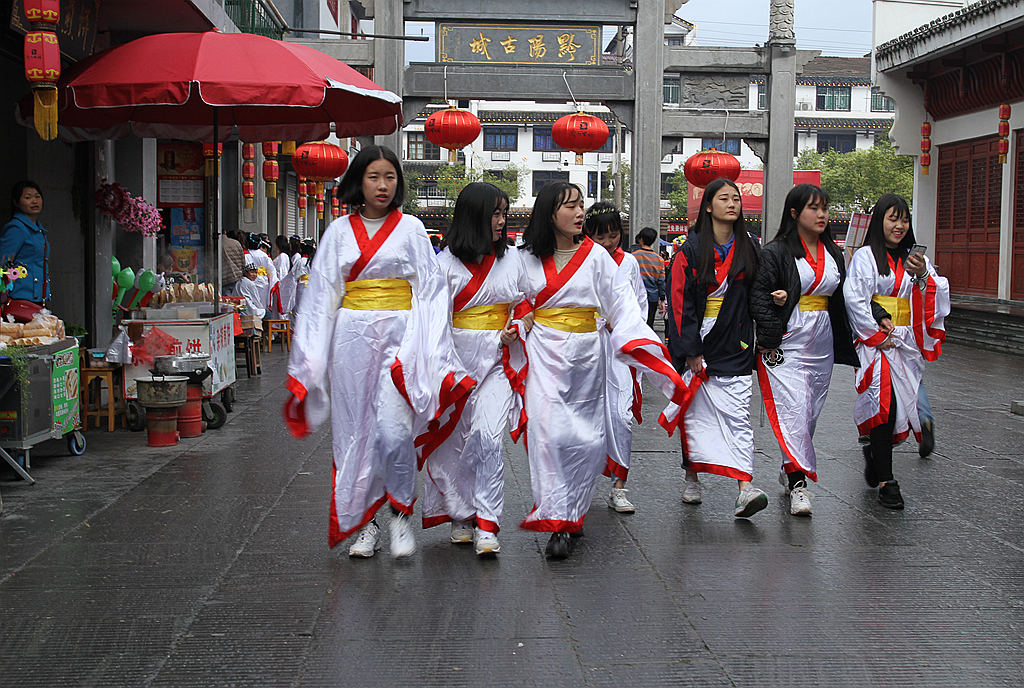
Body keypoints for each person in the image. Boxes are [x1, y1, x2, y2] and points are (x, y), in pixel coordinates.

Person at [283, 144, 473, 558]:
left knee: (393, 432)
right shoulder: (336, 233)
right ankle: (364, 525)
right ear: (359, 182)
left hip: (401, 339)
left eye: (390, 177)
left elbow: (431, 290)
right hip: (350, 342)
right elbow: (319, 300)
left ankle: (401, 514)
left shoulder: (411, 229)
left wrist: (427, 347)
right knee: (354, 434)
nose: (383, 185)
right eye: (374, 177)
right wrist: (310, 362)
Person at [517, 182, 687, 560]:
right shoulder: (524, 258)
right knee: (548, 436)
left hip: (587, 357)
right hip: (543, 354)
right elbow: (509, 297)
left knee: (585, 440)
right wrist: (520, 315)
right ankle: (556, 520)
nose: (580, 213)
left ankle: (572, 512)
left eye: (581, 206)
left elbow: (623, 307)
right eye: (571, 206)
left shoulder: (596, 257)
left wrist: (642, 350)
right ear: (549, 214)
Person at [421, 182, 529, 556]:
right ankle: (460, 516)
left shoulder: (513, 259)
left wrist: (520, 325)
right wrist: (445, 369)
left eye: (504, 213)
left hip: (499, 365)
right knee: (454, 443)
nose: (501, 222)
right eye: (494, 214)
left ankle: (487, 521)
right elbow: (434, 326)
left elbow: (527, 302)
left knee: (486, 438)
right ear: (473, 217)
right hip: (456, 369)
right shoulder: (443, 266)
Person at [749, 184, 859, 516]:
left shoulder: (835, 253)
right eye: (814, 208)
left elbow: (848, 295)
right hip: (788, 341)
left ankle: (789, 465)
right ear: (795, 213)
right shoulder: (776, 252)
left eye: (825, 208)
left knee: (809, 413)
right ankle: (799, 485)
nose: (822, 214)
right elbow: (758, 295)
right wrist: (772, 320)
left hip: (822, 340)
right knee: (794, 410)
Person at [666, 177, 766, 518]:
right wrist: (690, 350)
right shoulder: (690, 250)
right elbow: (679, 303)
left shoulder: (750, 247)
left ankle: (744, 487)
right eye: (724, 199)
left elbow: (760, 292)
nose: (733, 204)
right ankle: (692, 476)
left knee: (739, 415)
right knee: (696, 415)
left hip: (736, 341)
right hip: (701, 342)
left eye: (736, 198)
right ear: (708, 206)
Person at [843, 193, 949, 509]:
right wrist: (876, 334)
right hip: (876, 341)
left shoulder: (916, 260)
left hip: (905, 342)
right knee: (884, 404)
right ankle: (889, 481)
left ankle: (874, 453)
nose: (899, 225)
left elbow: (936, 292)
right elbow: (855, 298)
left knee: (901, 406)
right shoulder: (865, 257)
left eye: (904, 219)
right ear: (879, 221)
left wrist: (922, 276)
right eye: (893, 218)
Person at [582, 201, 647, 514]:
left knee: (621, 417)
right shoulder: (581, 260)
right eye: (600, 236)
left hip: (620, 348)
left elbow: (639, 305)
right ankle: (582, 482)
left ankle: (620, 484)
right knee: (587, 417)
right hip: (587, 347)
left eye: (613, 235)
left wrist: (625, 328)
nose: (608, 243)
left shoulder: (630, 263)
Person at [1, 181, 50, 306]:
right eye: (27, 197)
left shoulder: (39, 229)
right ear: (16, 202)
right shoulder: (16, 228)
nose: (34, 201)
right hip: (18, 297)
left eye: (37, 197)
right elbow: (3, 264)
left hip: (38, 298)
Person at [632, 226, 666, 328]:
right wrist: (662, 299)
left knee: (635, 324)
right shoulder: (659, 260)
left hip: (635, 296)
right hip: (652, 297)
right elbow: (661, 281)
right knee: (649, 324)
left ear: (641, 239)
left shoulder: (632, 256)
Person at [244, 232, 277, 317]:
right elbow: (271, 269)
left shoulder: (247, 254)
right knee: (262, 303)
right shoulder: (264, 255)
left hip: (252, 279)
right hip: (264, 281)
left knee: (253, 302)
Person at [269, 235, 292, 319]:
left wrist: (280, 285)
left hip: (279, 285)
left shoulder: (282, 256)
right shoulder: (283, 256)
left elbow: (282, 272)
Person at [221, 230, 245, 297]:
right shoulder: (236, 243)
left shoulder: (218, 244)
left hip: (225, 279)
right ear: (225, 232)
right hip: (238, 277)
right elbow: (243, 262)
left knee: (228, 303)